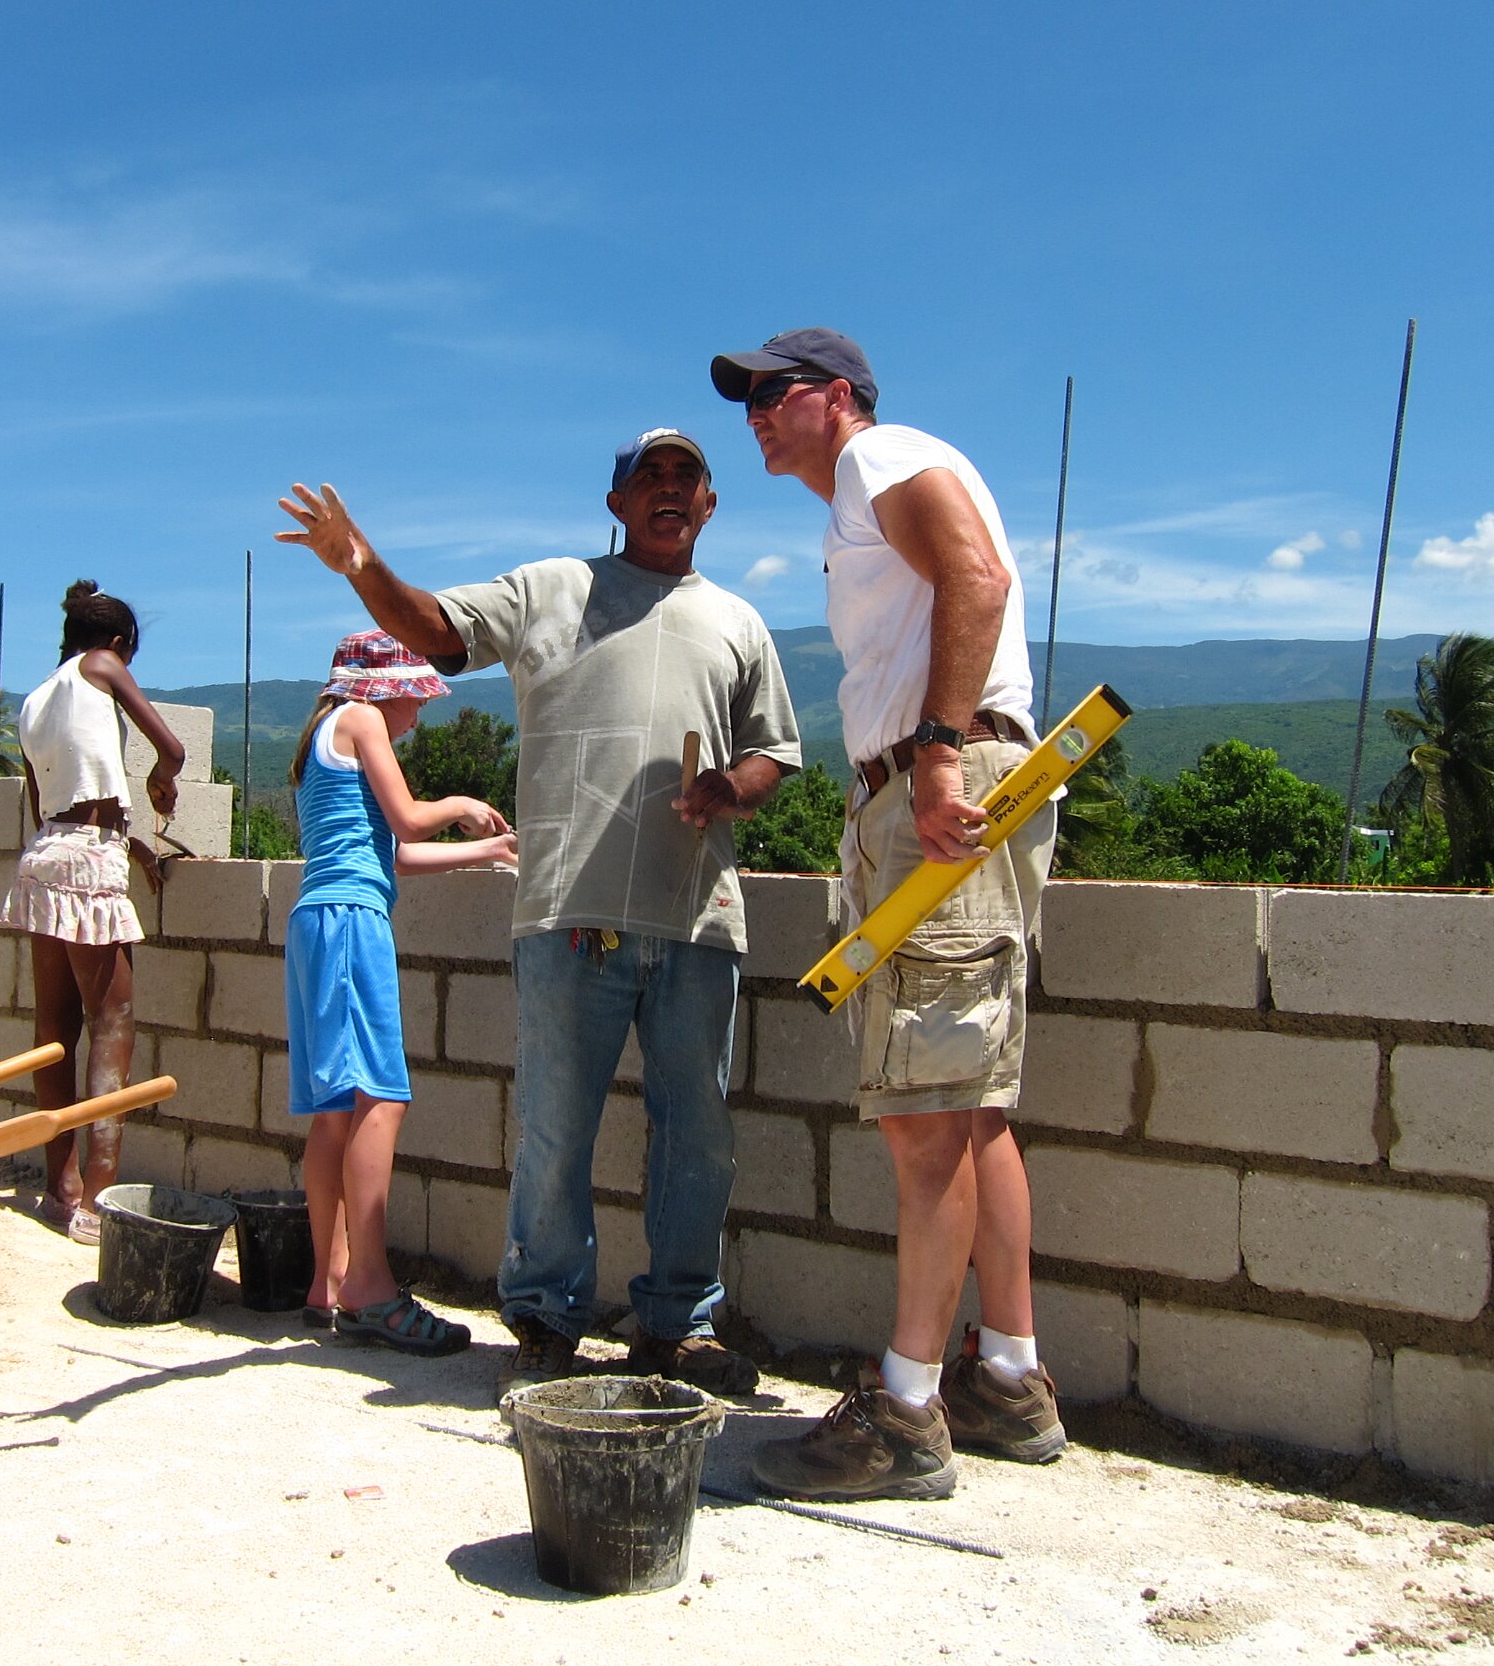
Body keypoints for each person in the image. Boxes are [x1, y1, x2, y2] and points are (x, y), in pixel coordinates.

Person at [276, 429, 801, 1396]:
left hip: (696, 917)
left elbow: (774, 751)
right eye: (648, 475)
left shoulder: (738, 622)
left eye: (686, 477)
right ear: (616, 502)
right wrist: (360, 563)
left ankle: (676, 1325)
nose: (669, 489)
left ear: (710, 504)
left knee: (698, 1136)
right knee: (556, 1130)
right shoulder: (552, 589)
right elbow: (436, 627)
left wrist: (732, 786)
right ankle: (547, 1318)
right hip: (568, 914)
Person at [717, 328, 1064, 1501]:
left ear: (836, 396)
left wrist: (936, 755)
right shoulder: (857, 499)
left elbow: (980, 577)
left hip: (939, 791)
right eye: (746, 400)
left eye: (771, 393)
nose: (754, 414)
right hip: (931, 791)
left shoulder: (880, 457)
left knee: (926, 1120)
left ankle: (906, 1414)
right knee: (971, 1109)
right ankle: (1006, 1378)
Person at [286, 629, 518, 1356]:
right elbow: (412, 819)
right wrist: (462, 803)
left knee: (335, 1111)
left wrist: (489, 849)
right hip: (353, 922)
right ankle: (372, 1288)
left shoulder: (322, 735)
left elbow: (395, 853)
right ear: (381, 688)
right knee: (381, 1099)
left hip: (317, 917)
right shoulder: (360, 717)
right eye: (414, 697)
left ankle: (327, 1283)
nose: (418, 714)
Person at [0, 580, 186, 1245]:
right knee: (112, 1022)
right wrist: (161, 781)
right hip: (87, 862)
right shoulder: (101, 664)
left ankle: (61, 1190)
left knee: (53, 1027)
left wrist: (128, 841)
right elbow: (172, 748)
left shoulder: (32, 701)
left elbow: (47, 806)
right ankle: (100, 1203)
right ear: (114, 643)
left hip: (45, 855)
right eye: (129, 655)